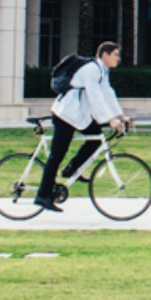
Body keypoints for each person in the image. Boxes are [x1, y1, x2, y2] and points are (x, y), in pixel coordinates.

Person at [35, 41, 130, 212]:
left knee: (95, 140)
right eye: (115, 54)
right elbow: (95, 96)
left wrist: (120, 115)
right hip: (65, 115)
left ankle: (71, 169)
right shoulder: (91, 70)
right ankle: (42, 196)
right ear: (105, 55)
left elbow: (107, 93)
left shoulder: (102, 71)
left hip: (78, 116)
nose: (118, 58)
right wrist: (110, 119)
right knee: (57, 155)